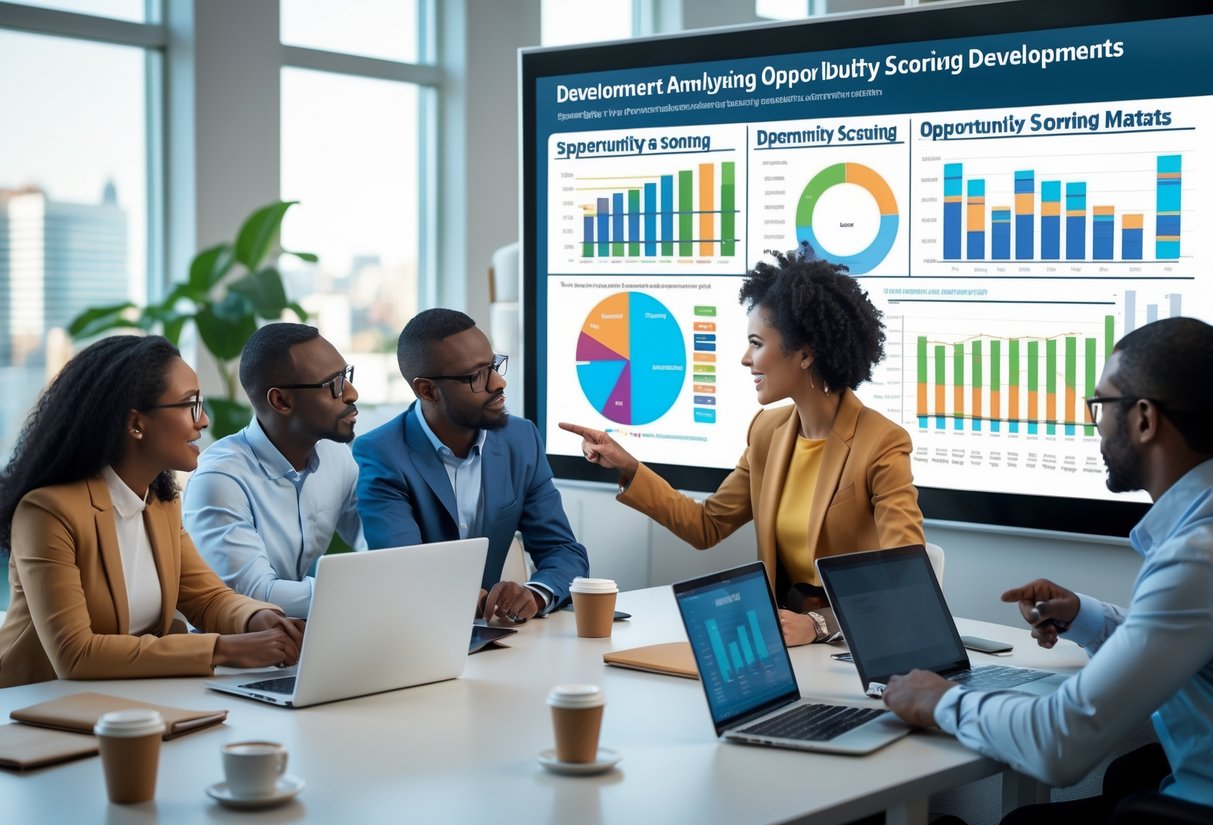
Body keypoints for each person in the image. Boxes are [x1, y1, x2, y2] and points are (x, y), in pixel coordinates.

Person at [883, 317, 1213, 825]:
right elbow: (1179, 645)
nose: (1096, 423)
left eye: (1101, 405)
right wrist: (1084, 617)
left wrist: (942, 700)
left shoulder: (1198, 556)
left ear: (1145, 419)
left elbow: (1059, 744)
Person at [562, 246, 924, 646]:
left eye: (756, 343)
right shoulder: (767, 432)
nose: (745, 359)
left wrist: (821, 625)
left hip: (853, 647)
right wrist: (628, 466)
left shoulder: (881, 443)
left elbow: (906, 578)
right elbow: (706, 526)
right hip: (781, 641)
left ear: (805, 355)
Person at [0, 335, 304, 689]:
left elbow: (206, 598)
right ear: (135, 423)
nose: (203, 420)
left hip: (133, 696)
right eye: (190, 405)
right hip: (33, 704)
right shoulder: (48, 512)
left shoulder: (161, 503)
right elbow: (75, 654)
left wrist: (259, 619)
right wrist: (222, 649)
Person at [353, 309, 589, 624]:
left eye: (493, 365)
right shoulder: (381, 453)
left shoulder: (521, 439)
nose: (499, 382)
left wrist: (534, 593)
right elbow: (403, 568)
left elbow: (563, 550)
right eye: (477, 375)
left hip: (494, 636)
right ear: (427, 390)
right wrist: (470, 597)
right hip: (415, 630)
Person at [183, 323, 365, 618]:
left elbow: (374, 538)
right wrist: (367, 592)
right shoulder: (220, 479)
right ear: (281, 401)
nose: (352, 393)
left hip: (306, 637)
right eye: (334, 385)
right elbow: (255, 593)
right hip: (237, 653)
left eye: (346, 377)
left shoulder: (335, 456)